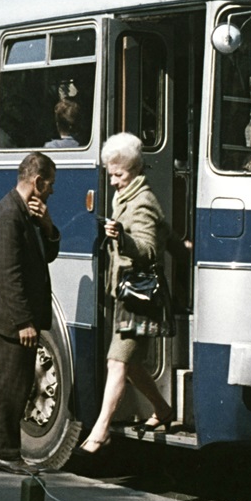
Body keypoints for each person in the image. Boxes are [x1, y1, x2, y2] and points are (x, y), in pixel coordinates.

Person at [79, 132, 176, 456]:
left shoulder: (141, 200)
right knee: (130, 365)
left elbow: (147, 250)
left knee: (116, 362)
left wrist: (122, 237)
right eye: (111, 173)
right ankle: (163, 410)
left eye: (119, 174)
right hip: (129, 293)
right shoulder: (128, 196)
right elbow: (163, 233)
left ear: (134, 169)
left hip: (139, 297)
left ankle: (101, 430)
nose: (114, 180)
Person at [0, 152, 59, 473]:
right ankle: (5, 453)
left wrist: (47, 224)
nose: (52, 191)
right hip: (10, 319)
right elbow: (9, 275)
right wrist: (24, 321)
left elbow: (46, 254)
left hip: (11, 316)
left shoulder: (25, 213)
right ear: (37, 182)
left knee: (13, 384)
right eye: (50, 184)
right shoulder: (9, 216)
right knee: (13, 386)